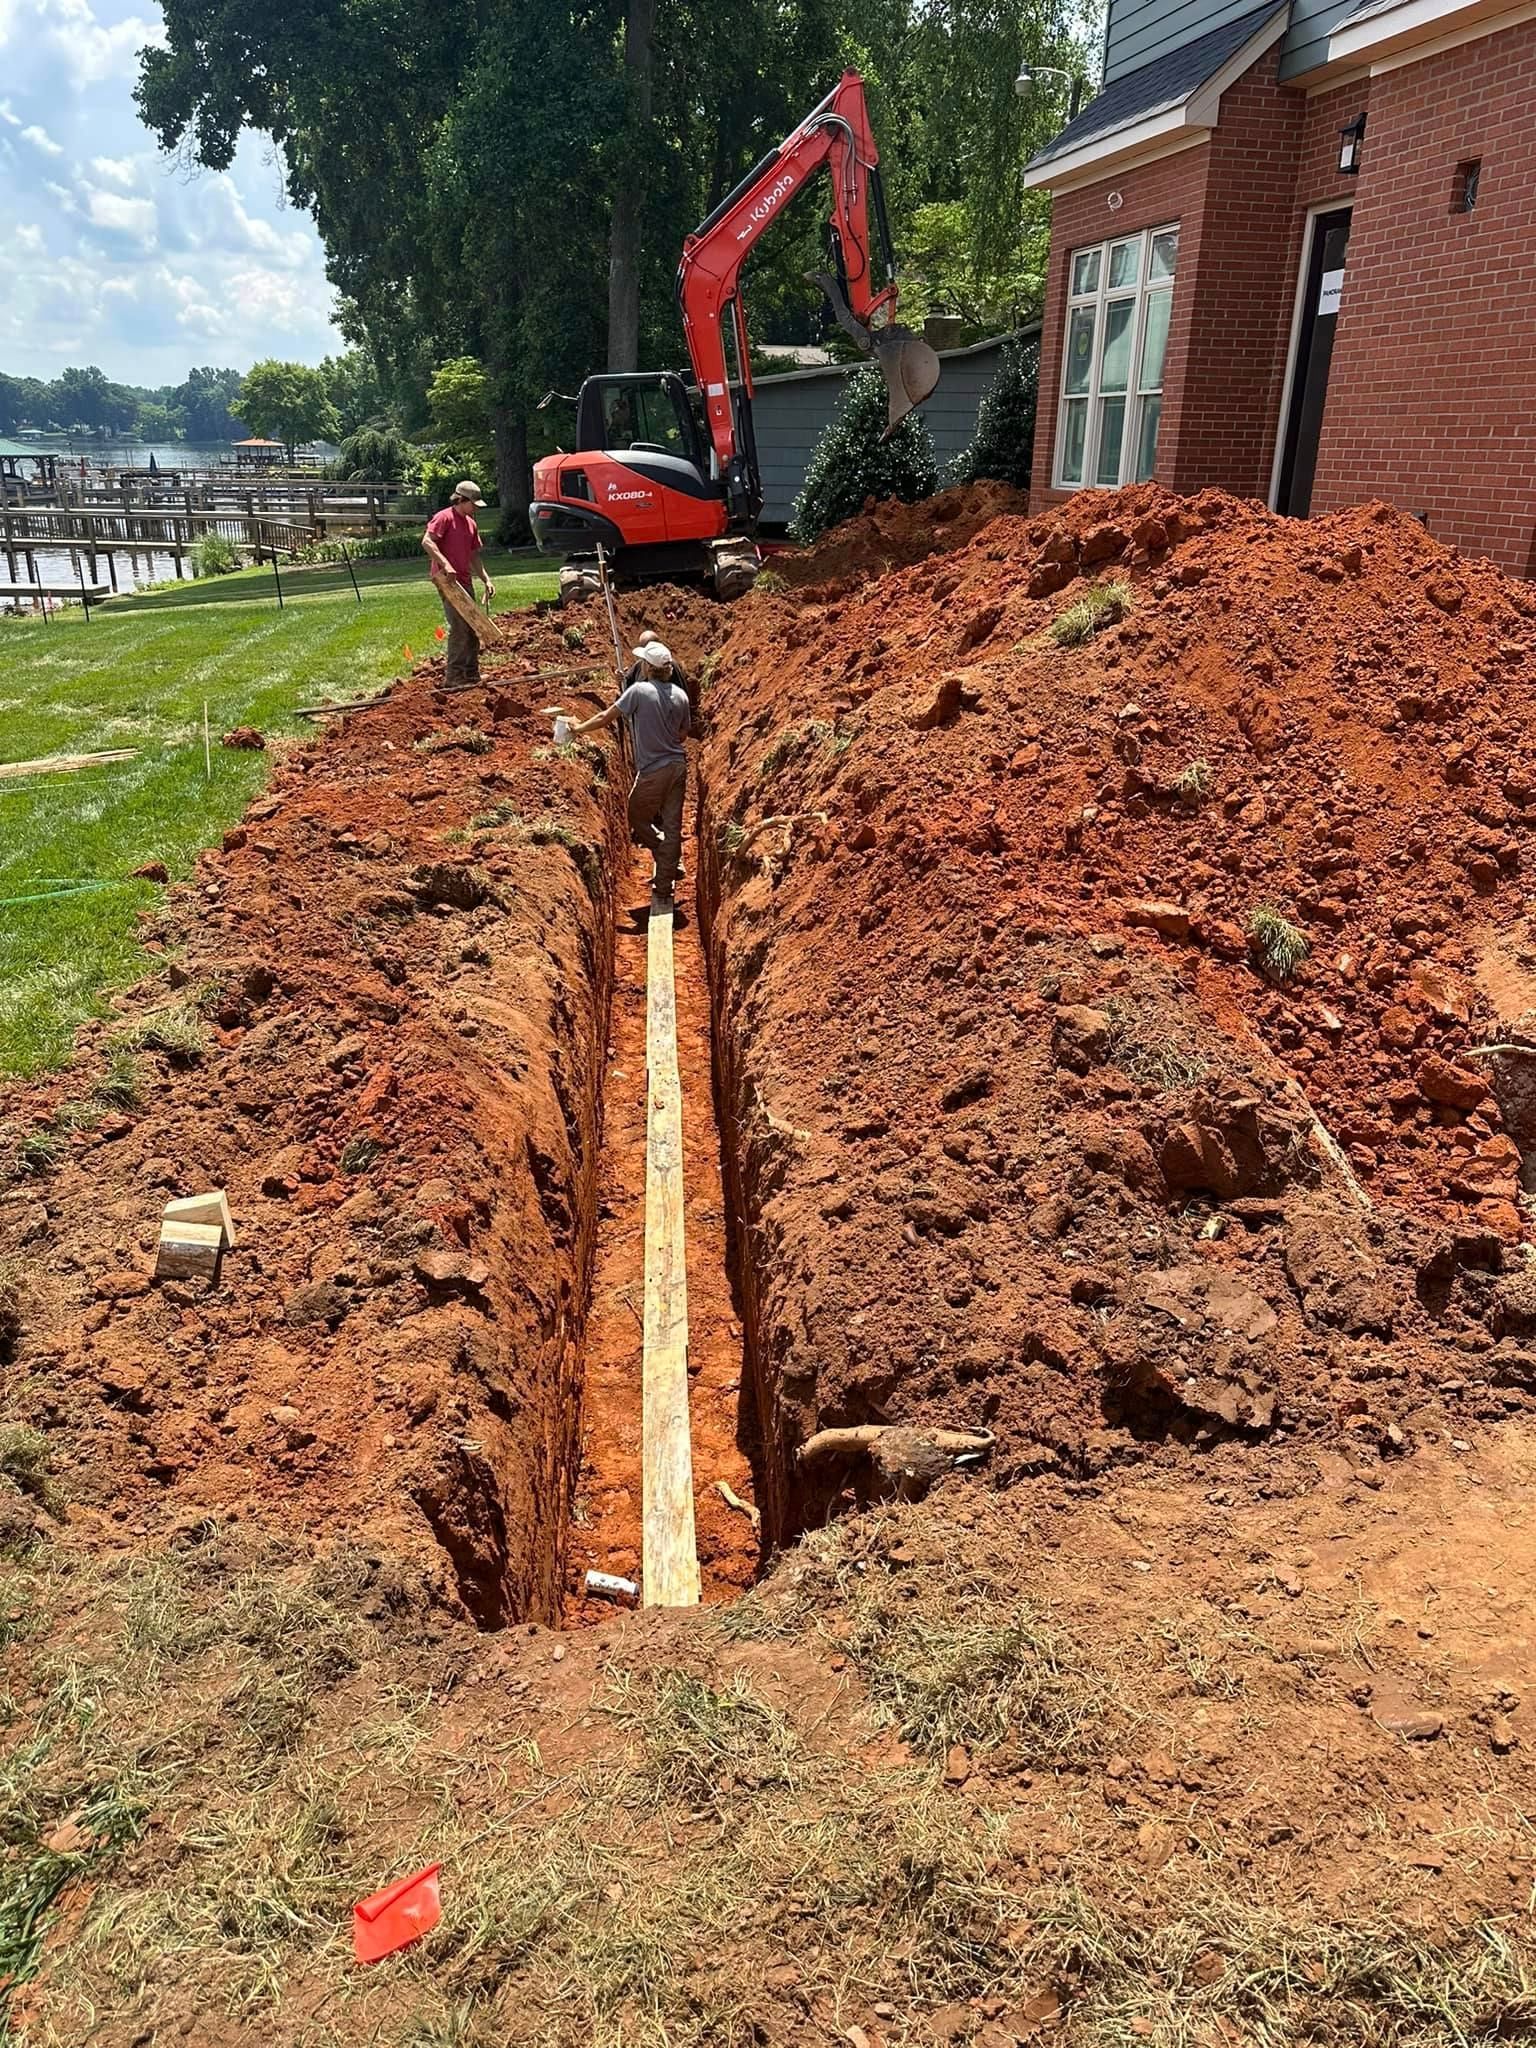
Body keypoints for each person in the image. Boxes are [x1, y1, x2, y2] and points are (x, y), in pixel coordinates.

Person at [567, 642, 691, 900]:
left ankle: (666, 852)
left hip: (653, 770)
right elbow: (682, 733)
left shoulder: (639, 691)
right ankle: (666, 877)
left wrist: (578, 729)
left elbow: (605, 717)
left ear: (648, 667)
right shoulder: (681, 696)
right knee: (672, 824)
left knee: (637, 817)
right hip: (678, 767)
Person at [422, 481, 495, 687]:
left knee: (472, 626)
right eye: (473, 504)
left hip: (464, 580)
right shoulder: (444, 517)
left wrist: (486, 579)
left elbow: (473, 555)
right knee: (460, 627)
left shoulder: (471, 523)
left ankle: (471, 673)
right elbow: (427, 541)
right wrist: (445, 564)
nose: (475, 508)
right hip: (447, 581)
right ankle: (453, 677)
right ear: (461, 500)